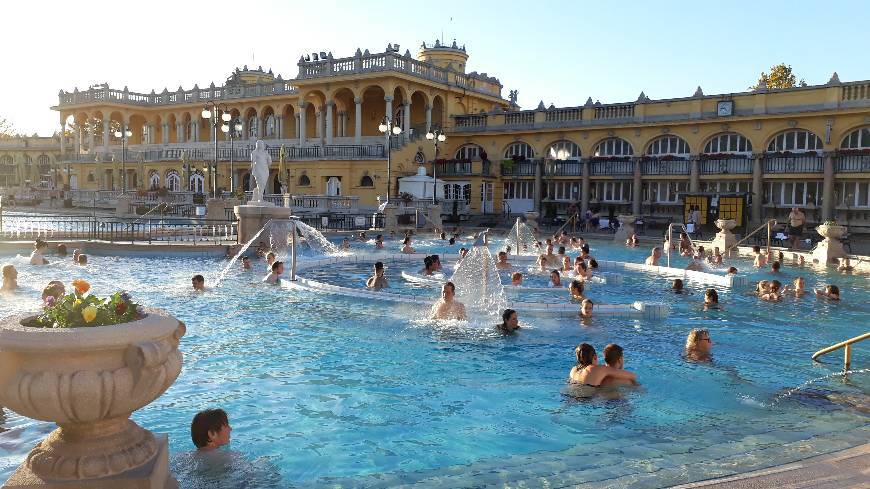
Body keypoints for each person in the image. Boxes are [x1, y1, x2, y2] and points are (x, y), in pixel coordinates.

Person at [568, 343, 637, 387]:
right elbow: (632, 376)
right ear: (595, 356)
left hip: (569, 396)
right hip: (586, 400)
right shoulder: (597, 369)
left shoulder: (574, 369)